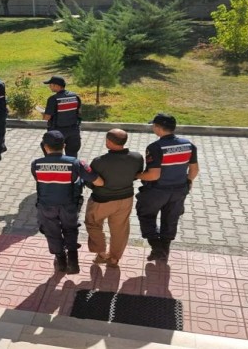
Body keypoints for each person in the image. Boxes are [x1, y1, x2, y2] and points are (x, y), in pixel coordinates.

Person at [32, 130, 103, 274]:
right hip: (69, 205)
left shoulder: (36, 164)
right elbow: (99, 182)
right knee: (70, 229)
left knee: (52, 232)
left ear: (45, 147)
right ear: (64, 145)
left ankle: (61, 261)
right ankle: (73, 261)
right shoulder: (76, 163)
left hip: (46, 206)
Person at [135, 113, 199, 262]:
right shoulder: (188, 145)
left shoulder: (155, 147)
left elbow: (153, 175)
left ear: (158, 128)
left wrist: (137, 175)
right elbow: (194, 170)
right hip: (179, 190)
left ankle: (156, 248)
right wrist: (188, 183)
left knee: (146, 215)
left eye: (154, 125)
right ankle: (165, 249)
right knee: (171, 219)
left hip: (157, 191)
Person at [85, 129, 144, 268]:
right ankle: (114, 259)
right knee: (120, 230)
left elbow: (91, 182)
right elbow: (136, 175)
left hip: (101, 200)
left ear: (109, 141)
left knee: (93, 224)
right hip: (126, 199)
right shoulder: (137, 157)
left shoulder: (99, 161)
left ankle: (101, 253)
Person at [42, 76, 82, 157]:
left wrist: (43, 114)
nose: (49, 86)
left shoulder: (53, 99)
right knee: (72, 155)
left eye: (50, 85)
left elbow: (47, 117)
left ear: (57, 86)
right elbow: (79, 112)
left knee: (51, 152)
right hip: (74, 131)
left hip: (57, 132)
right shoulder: (75, 96)